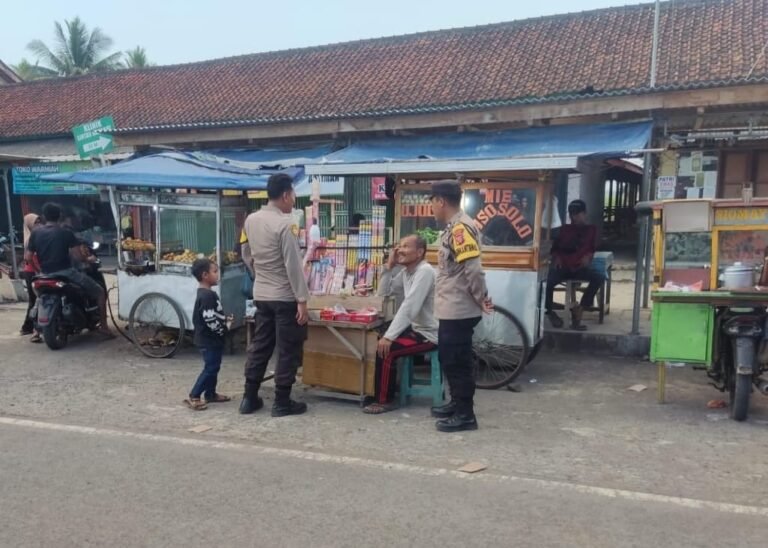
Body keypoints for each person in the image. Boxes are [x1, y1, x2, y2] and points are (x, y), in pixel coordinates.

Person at [239, 173, 310, 417]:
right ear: (285, 195)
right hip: (284, 296)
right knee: (287, 348)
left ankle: (249, 398)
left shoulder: (251, 220)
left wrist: (258, 272)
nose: (294, 200)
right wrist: (302, 299)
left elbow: (245, 251)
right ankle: (281, 402)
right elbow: (293, 265)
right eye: (293, 194)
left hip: (262, 294)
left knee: (261, 345)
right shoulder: (285, 224)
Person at [429, 181, 492, 433]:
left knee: (458, 360)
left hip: (459, 308)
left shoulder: (460, 230)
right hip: (451, 307)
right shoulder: (453, 228)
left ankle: (466, 414)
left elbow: (473, 270)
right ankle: (456, 403)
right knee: (450, 358)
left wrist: (480, 298)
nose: (432, 208)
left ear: (441, 201)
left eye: (432, 202)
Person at [363, 234, 438, 414]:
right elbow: (384, 294)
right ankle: (383, 391)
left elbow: (410, 306)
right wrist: (389, 268)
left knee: (386, 349)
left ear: (419, 252)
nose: (399, 250)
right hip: (416, 329)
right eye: (399, 246)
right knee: (379, 341)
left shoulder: (425, 271)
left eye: (405, 246)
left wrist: (390, 337)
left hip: (430, 334)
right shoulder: (407, 273)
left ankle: (384, 400)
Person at [26, 202, 114, 339]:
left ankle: (36, 331)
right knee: (100, 292)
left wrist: (39, 270)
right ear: (60, 216)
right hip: (66, 273)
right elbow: (77, 256)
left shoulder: (36, 233)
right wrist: (88, 260)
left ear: (44, 216)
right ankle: (104, 327)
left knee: (37, 298)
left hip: (44, 274)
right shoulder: (65, 233)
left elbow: (28, 257)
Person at [545, 199, 605, 331]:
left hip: (579, 267)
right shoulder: (564, 230)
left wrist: (589, 256)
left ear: (585, 214)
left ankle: (580, 309)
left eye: (578, 214)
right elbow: (554, 249)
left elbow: (592, 248)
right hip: (563, 267)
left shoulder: (592, 230)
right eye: (572, 214)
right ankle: (549, 312)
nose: (574, 217)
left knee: (599, 277)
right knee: (546, 284)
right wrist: (557, 258)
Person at [185, 258, 233, 411]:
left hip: (212, 339)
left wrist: (224, 319)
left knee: (214, 366)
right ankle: (194, 395)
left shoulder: (207, 294)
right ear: (205, 275)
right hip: (209, 340)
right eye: (215, 271)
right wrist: (223, 329)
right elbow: (210, 320)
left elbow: (213, 315)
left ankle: (211, 393)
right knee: (211, 368)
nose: (218, 274)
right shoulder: (206, 296)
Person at [19, 213, 43, 343]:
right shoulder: (30, 239)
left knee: (35, 301)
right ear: (29, 225)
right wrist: (38, 270)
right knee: (35, 301)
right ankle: (32, 328)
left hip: (36, 271)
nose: (39, 225)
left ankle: (28, 327)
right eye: (36, 223)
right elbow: (29, 258)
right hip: (32, 272)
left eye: (39, 221)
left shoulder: (35, 236)